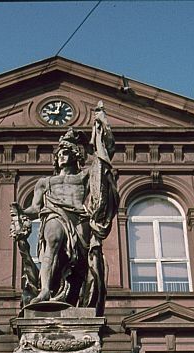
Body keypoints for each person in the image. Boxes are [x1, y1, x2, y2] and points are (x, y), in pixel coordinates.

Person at [11, 103, 118, 314]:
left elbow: (102, 162)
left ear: (75, 155)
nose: (61, 156)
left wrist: (100, 127)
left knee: (80, 264)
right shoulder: (45, 182)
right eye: (59, 153)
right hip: (54, 215)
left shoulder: (82, 177)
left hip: (79, 219)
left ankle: (75, 297)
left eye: (66, 152)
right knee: (52, 242)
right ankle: (44, 290)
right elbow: (35, 208)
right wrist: (22, 212)